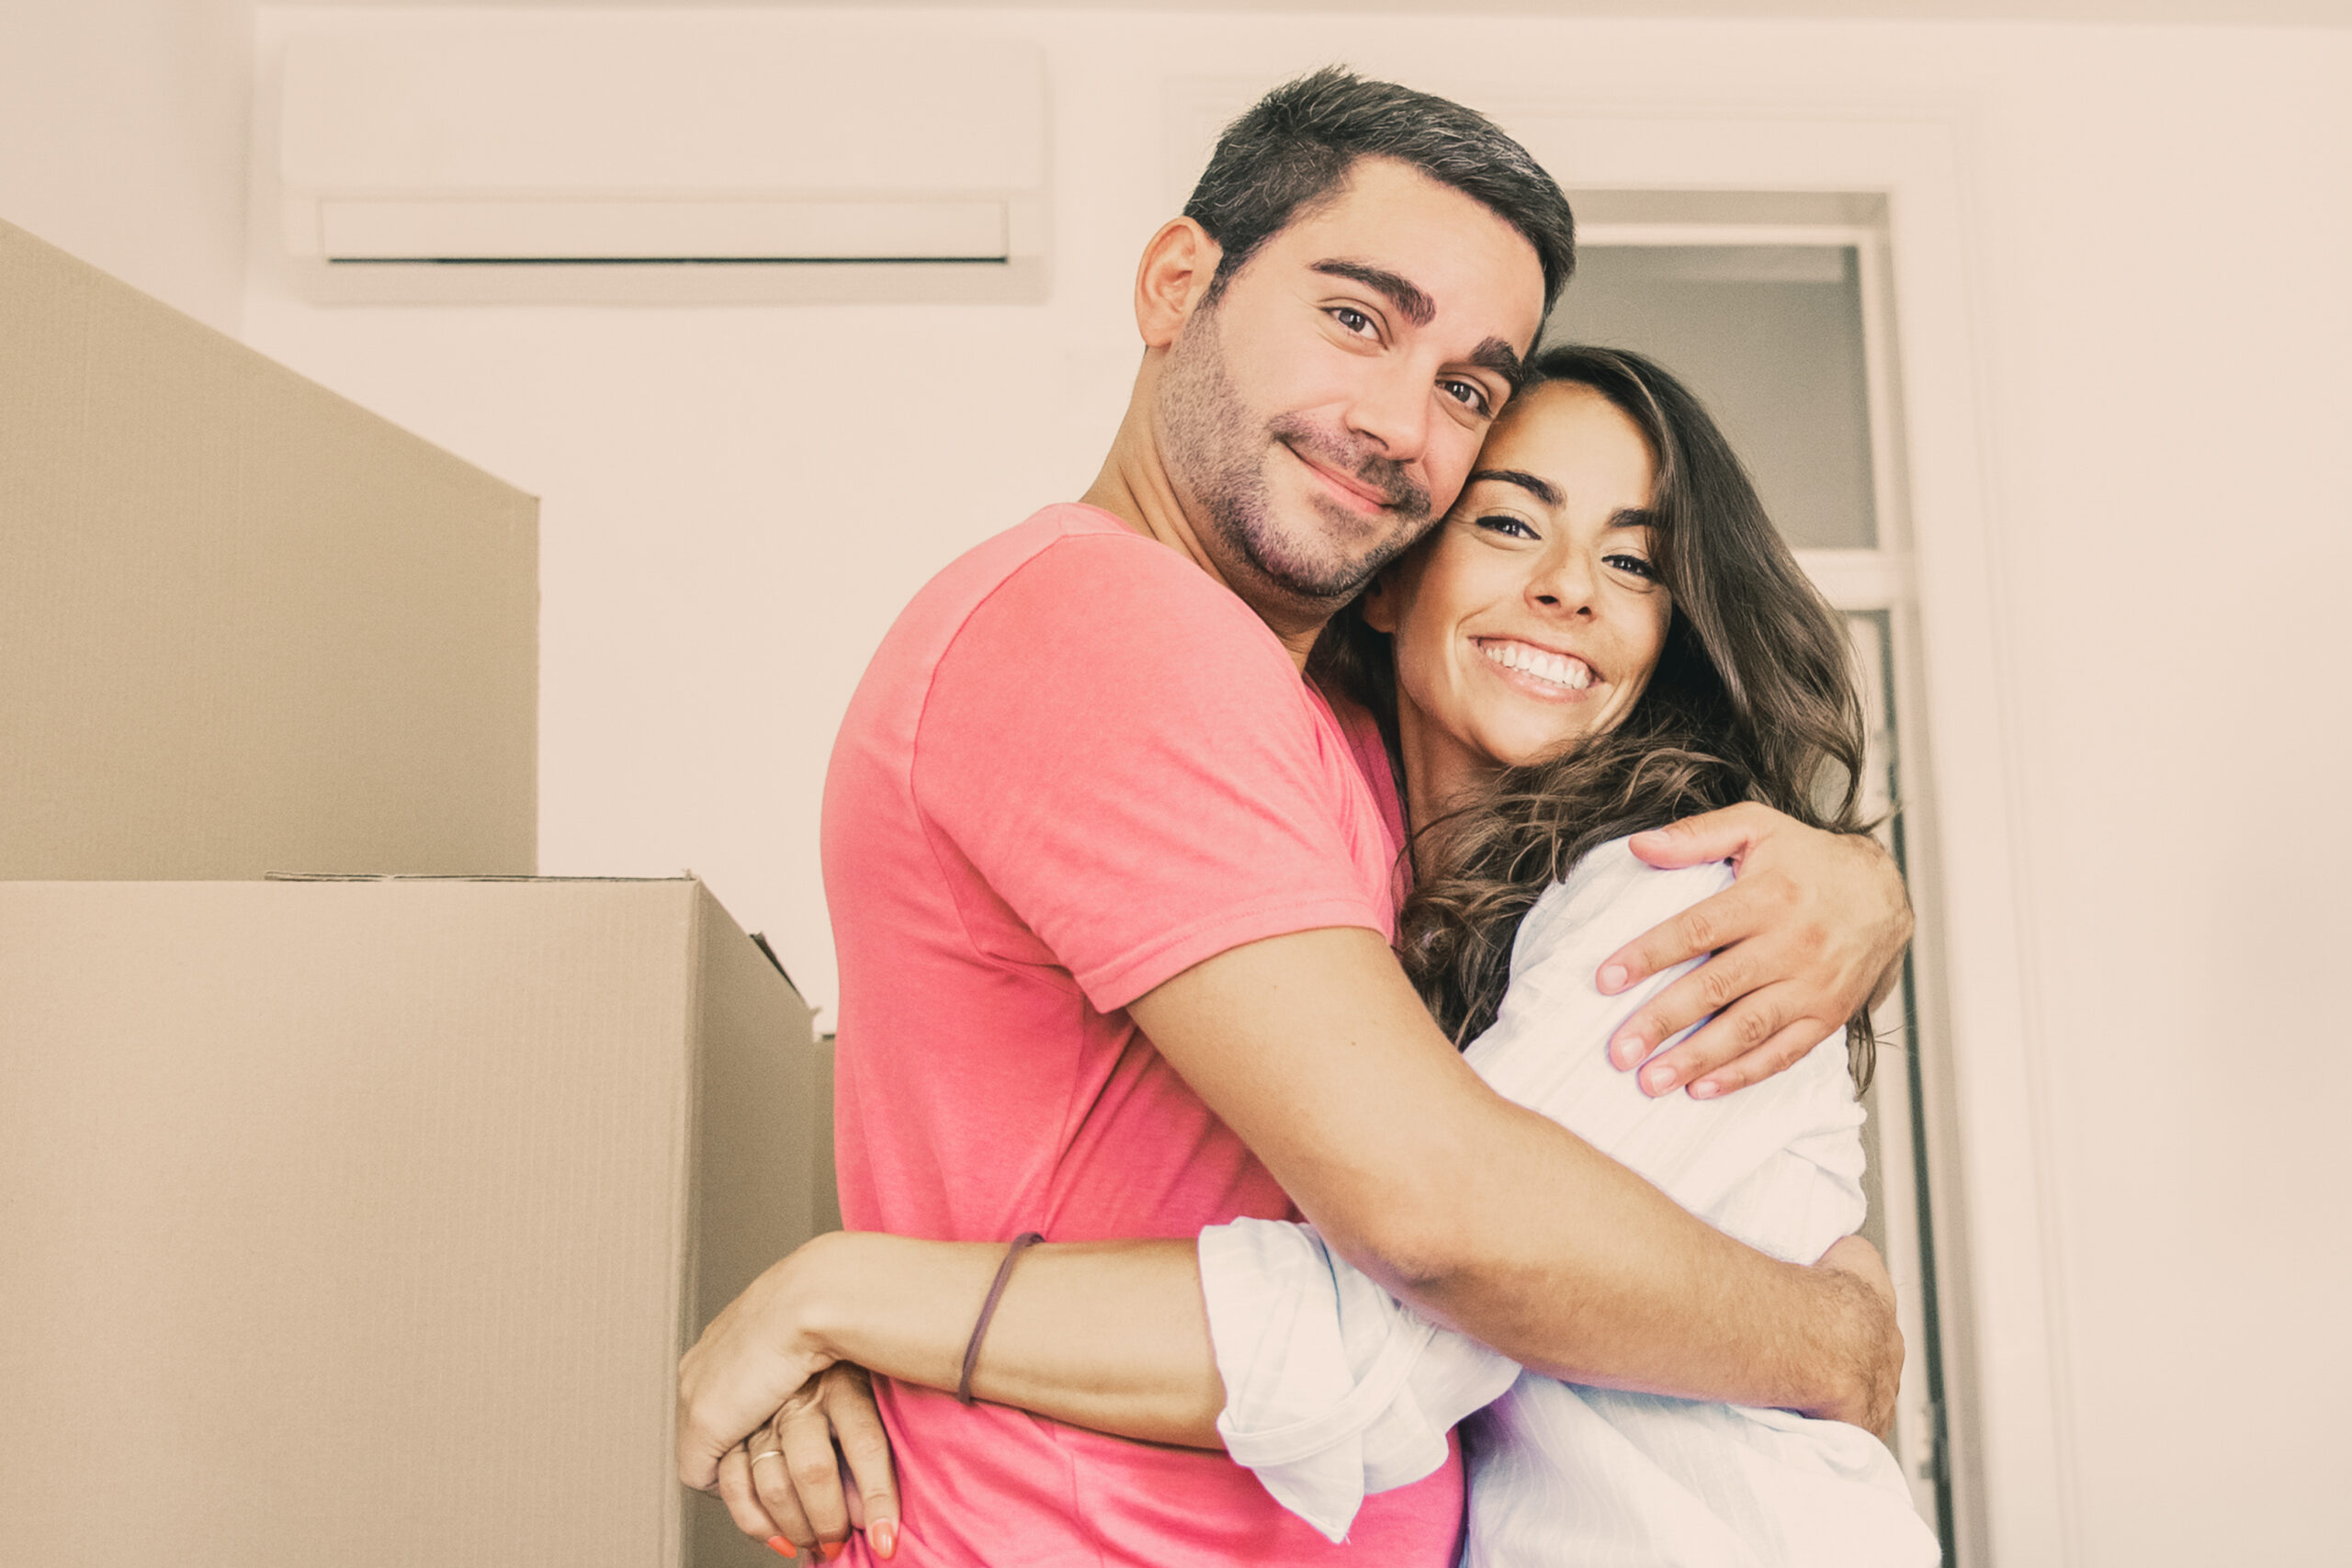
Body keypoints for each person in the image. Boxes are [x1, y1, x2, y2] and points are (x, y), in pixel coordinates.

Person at [678, 70, 1914, 1565]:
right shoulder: (1106, 629)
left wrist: (1860, 879)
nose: (1400, 421)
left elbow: (1017, 1102)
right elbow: (1435, 1222)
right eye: (1357, 317)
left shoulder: (1330, 719)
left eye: (1465, 385)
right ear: (1176, 281)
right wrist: (1831, 1340)